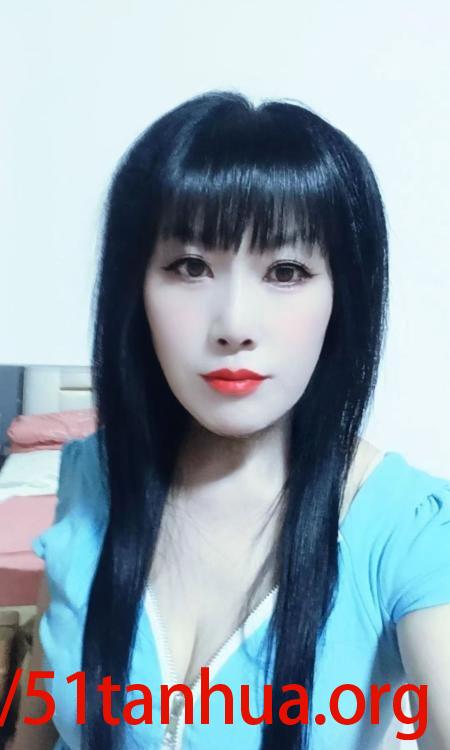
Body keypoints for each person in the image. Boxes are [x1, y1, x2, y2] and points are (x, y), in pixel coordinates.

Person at [12, 91, 450, 750]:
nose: (235, 324)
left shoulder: (406, 530)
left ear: (343, 297)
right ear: (136, 288)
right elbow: (37, 729)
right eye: (190, 267)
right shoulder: (89, 479)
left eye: (286, 271)